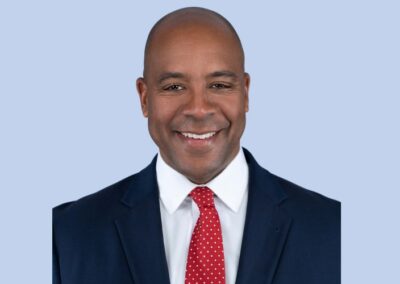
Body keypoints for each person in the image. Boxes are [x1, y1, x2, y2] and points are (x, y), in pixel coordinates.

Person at [53, 7, 340, 284]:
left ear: (246, 92)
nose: (199, 109)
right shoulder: (68, 235)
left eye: (219, 85)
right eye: (174, 87)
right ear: (144, 98)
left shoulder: (333, 229)